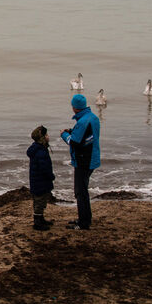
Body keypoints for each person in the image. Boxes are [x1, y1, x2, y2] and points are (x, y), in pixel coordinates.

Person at [61, 94, 101, 230]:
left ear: (74, 107)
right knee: (83, 190)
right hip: (92, 158)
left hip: (84, 161)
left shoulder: (83, 122)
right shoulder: (93, 118)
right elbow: (87, 136)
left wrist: (64, 134)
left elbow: (74, 143)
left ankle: (83, 223)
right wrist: (73, 131)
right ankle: (85, 218)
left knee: (80, 192)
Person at [27, 126, 55, 231]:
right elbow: (44, 168)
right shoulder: (41, 151)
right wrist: (50, 176)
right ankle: (37, 222)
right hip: (41, 181)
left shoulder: (38, 148)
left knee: (40, 201)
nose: (48, 136)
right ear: (42, 138)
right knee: (39, 202)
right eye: (46, 135)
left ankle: (41, 218)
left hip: (36, 180)